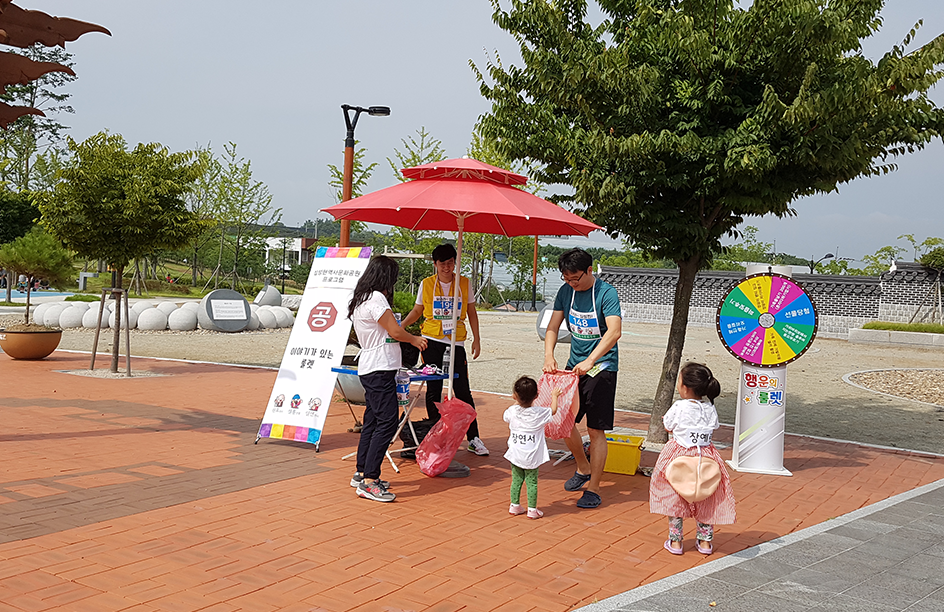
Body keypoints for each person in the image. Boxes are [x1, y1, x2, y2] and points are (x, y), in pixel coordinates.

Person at [543, 247, 622, 509]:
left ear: (589, 270)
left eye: (575, 278)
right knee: (564, 420)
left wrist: (591, 360)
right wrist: (548, 355)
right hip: (573, 367)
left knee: (595, 429)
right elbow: (553, 326)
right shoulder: (566, 292)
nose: (571, 284)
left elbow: (614, 332)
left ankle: (594, 488)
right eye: (566, 279)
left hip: (602, 367)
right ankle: (582, 467)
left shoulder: (606, 293)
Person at [348, 255, 428, 502]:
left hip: (372, 367)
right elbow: (394, 331)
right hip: (380, 368)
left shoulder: (361, 299)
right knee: (388, 422)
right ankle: (370, 480)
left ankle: (362, 472)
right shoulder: (376, 298)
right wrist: (414, 339)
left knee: (372, 421)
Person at [402, 243, 488, 456]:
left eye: (450, 263)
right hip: (432, 340)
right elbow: (417, 310)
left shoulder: (464, 284)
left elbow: (472, 311)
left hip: (456, 341)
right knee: (434, 389)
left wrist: (477, 339)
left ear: (455, 262)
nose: (447, 268)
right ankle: (435, 434)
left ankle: (474, 437)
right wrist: (400, 327)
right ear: (435, 264)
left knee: (462, 389)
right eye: (442, 264)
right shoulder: (427, 284)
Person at [650, 362, 736, 555]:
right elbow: (713, 427)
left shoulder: (679, 406)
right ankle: (705, 542)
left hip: (678, 454)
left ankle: (675, 542)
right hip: (706, 456)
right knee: (707, 496)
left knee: (675, 497)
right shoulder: (710, 408)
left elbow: (668, 426)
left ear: (685, 387)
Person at [504, 376, 560, 519]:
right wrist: (554, 396)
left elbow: (506, 418)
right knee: (532, 482)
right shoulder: (540, 413)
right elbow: (553, 410)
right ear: (536, 395)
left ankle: (514, 505)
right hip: (532, 455)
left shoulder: (511, 411)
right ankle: (532, 509)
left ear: (515, 395)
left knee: (516, 479)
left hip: (516, 453)